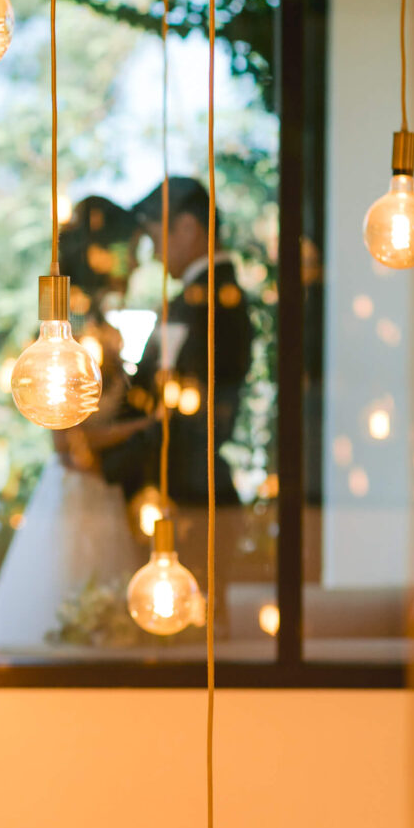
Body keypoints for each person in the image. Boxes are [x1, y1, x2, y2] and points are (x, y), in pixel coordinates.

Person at [0, 197, 153, 650]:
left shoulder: (99, 325)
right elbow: (67, 442)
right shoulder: (66, 334)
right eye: (131, 248)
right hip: (79, 487)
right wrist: (145, 428)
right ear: (102, 253)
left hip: (102, 492)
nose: (137, 261)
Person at [105, 176, 252, 628]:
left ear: (187, 229)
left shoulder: (214, 304)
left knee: (192, 635)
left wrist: (112, 456)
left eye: (154, 236)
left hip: (190, 494)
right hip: (180, 492)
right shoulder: (194, 301)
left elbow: (192, 416)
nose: (151, 253)